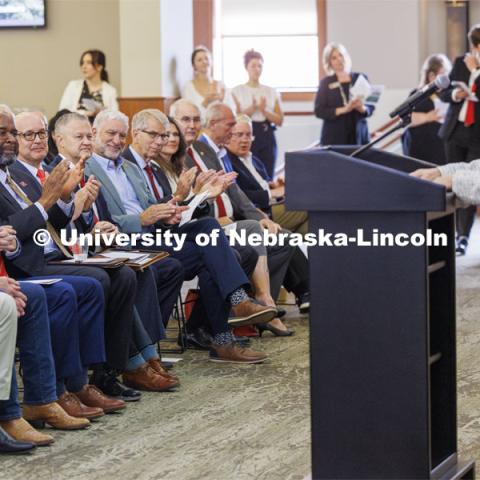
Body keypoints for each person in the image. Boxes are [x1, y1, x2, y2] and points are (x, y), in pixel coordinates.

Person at [86, 109, 274, 363]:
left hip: (158, 235)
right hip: (130, 241)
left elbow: (155, 206)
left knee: (210, 230)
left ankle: (227, 326)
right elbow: (103, 221)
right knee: (221, 250)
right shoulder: (88, 168)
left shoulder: (130, 168)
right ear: (95, 132)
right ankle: (229, 323)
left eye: (121, 135)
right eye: (111, 134)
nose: (117, 141)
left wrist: (175, 205)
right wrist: (150, 215)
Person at [151, 115, 293, 337]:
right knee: (226, 244)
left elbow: (205, 207)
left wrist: (203, 197)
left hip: (189, 231)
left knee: (248, 252)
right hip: (165, 238)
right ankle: (235, 318)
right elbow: (162, 213)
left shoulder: (178, 165)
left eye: (174, 134)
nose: (170, 139)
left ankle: (210, 329)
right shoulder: (152, 168)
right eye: (163, 135)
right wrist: (197, 196)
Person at [172, 99, 310, 314]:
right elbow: (181, 205)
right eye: (185, 120)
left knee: (282, 238)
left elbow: (236, 193)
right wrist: (219, 221)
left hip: (228, 222)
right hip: (205, 227)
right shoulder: (173, 157)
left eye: (195, 119)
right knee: (254, 241)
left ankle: (267, 307)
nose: (191, 125)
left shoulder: (203, 149)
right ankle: (260, 306)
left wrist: (259, 216)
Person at [225, 114, 308, 236]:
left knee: (312, 222)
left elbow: (265, 182)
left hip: (276, 204)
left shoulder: (254, 159)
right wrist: (273, 193)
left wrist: (274, 185)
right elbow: (239, 197)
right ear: (228, 136)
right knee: (307, 204)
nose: (245, 140)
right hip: (261, 212)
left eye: (248, 135)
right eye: (239, 135)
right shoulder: (227, 162)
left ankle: (311, 251)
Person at [438, 24, 480, 255]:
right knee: (449, 181)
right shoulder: (459, 62)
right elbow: (445, 93)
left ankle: (463, 237)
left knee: (467, 183)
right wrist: (456, 93)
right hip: (455, 131)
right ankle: (450, 234)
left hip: (477, 135)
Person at [231, 49, 283, 179]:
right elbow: (235, 117)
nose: (257, 69)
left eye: (260, 66)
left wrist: (264, 110)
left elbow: (280, 120)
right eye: (253, 66)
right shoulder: (237, 90)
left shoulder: (271, 91)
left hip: (266, 133)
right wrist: (253, 108)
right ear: (246, 68)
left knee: (267, 172)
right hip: (246, 133)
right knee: (248, 173)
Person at [314, 42, 374, 145]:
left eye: (341, 55)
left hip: (358, 136)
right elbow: (319, 111)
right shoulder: (325, 83)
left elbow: (371, 106)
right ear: (329, 62)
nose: (339, 59)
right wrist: (344, 109)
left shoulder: (361, 78)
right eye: (334, 58)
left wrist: (361, 108)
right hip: (334, 137)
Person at [402, 54, 451, 165]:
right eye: (442, 75)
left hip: (441, 148)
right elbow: (406, 119)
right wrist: (427, 117)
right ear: (431, 76)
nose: (446, 79)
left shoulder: (448, 94)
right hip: (420, 147)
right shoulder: (417, 94)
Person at [59, 49, 118, 120]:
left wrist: (101, 113)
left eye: (89, 63)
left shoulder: (110, 90)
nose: (84, 66)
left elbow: (115, 117)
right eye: (82, 63)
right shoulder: (73, 86)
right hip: (75, 126)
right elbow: (62, 111)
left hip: (99, 127)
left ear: (99, 67)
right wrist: (85, 114)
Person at [182, 45, 233, 119]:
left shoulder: (221, 85)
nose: (204, 62)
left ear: (211, 62)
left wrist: (222, 100)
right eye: (199, 60)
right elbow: (188, 114)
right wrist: (205, 102)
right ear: (194, 65)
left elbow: (232, 110)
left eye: (207, 58)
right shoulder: (188, 87)